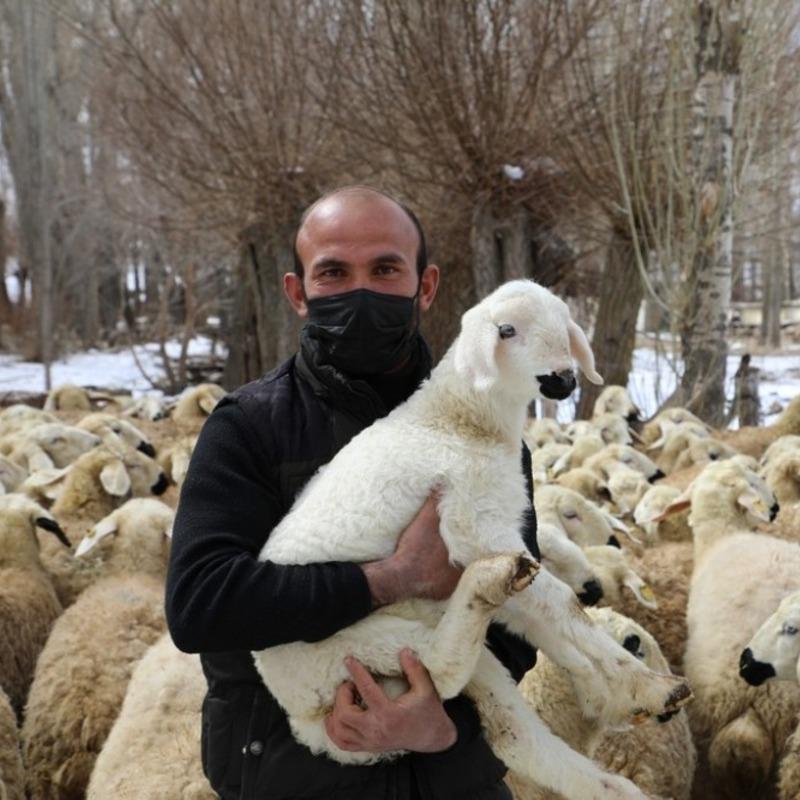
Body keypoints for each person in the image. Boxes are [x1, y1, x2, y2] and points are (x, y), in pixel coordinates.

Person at [166, 186, 539, 799]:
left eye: (386, 269)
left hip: (449, 778)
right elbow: (201, 603)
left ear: (426, 285)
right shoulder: (249, 426)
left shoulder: (486, 432)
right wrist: (392, 578)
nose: (361, 291)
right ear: (298, 292)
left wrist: (445, 726)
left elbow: (518, 608)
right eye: (334, 272)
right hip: (296, 774)